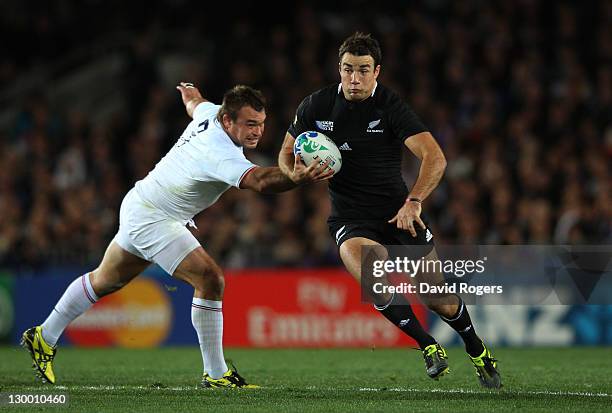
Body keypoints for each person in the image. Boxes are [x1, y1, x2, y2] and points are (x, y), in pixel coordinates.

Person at [21, 82, 331, 388]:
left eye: (261, 124)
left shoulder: (211, 113)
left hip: (143, 202)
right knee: (210, 278)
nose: (257, 132)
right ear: (228, 120)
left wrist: (190, 95)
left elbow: (196, 105)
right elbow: (262, 182)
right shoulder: (219, 152)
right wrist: (297, 176)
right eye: (250, 124)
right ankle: (216, 373)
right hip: (154, 217)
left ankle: (43, 336)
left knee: (105, 280)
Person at [278, 32, 501, 388]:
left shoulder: (389, 106)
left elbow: (435, 157)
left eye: (363, 70)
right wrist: (294, 173)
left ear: (377, 71)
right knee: (370, 272)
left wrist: (414, 202)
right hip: (350, 218)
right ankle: (427, 346)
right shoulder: (315, 106)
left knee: (439, 300)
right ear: (339, 68)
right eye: (348, 69)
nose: (355, 78)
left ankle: (476, 348)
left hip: (399, 214)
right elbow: (286, 152)